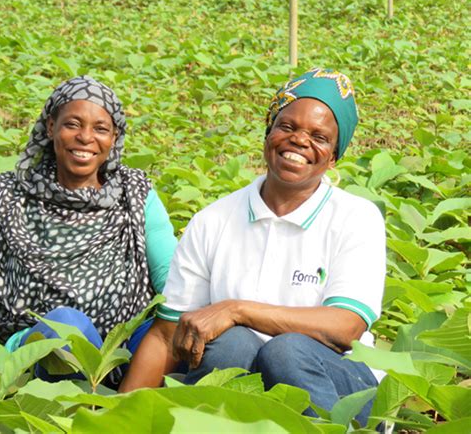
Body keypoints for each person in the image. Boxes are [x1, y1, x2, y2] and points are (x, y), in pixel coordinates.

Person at [120, 67, 386, 425]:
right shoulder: (214, 220)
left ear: (334, 155)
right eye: (287, 127)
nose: (299, 141)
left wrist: (235, 310)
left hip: (338, 385)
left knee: (285, 352)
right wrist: (118, 419)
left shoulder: (356, 218)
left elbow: (345, 327)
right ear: (268, 134)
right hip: (241, 379)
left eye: (319, 136)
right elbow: (167, 336)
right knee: (233, 344)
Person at [0, 76, 177, 358]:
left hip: (125, 346)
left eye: (101, 129)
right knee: (68, 327)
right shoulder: (9, 194)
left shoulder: (135, 192)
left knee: (179, 329)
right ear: (51, 126)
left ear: (114, 137)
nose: (85, 137)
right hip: (37, 347)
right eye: (73, 124)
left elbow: (172, 278)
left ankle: (125, 394)